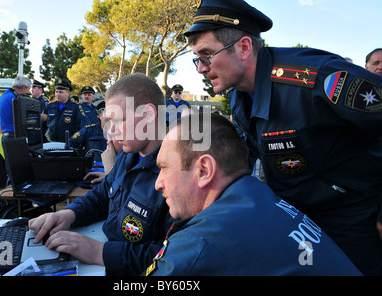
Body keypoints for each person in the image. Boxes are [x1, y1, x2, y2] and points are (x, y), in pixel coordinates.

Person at [184, 0, 382, 275]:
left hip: (351, 215)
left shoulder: (315, 79)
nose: (200, 68)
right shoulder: (238, 94)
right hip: (295, 214)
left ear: (243, 47)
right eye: (197, 58)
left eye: (206, 55)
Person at [146, 112, 361, 276]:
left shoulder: (201, 242)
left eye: (164, 167)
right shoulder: (258, 195)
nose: (158, 183)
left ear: (204, 171)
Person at [28, 73, 174, 276]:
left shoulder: (176, 174)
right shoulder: (127, 154)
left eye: (118, 121)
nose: (111, 131)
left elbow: (173, 257)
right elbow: (103, 194)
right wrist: (69, 214)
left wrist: (100, 252)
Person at [0, 75, 32, 185]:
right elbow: (24, 118)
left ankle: (11, 195)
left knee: (11, 169)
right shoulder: (14, 99)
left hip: (7, 136)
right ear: (23, 87)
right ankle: (14, 198)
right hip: (14, 137)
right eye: (29, 88)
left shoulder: (3, 97)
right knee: (17, 171)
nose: (29, 92)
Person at [42, 79, 88, 143]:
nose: (58, 94)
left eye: (61, 92)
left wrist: (74, 141)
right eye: (56, 92)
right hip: (50, 144)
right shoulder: (49, 107)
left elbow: (83, 127)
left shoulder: (76, 108)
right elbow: (43, 127)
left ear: (68, 93)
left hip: (69, 145)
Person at [70, 86, 107, 161]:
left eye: (89, 95)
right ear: (81, 96)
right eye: (85, 94)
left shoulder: (96, 109)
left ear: (93, 96)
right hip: (84, 137)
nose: (87, 96)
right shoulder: (78, 108)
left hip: (97, 137)